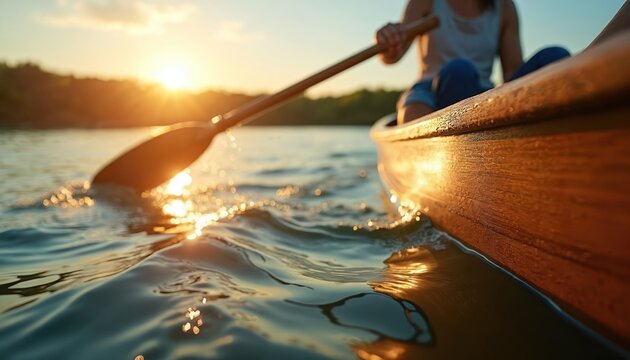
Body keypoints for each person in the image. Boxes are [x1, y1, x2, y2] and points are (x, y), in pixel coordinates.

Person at [376, 0, 570, 124]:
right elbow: (393, 54)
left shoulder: (505, 7)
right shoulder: (425, 2)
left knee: (554, 57)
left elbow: (512, 73)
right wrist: (389, 40)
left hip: (482, 94)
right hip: (430, 91)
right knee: (459, 71)